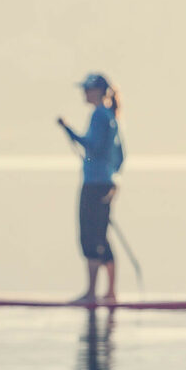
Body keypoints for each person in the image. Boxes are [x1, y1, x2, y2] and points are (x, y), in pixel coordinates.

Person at [58, 73, 124, 303]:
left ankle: (92, 293)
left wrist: (68, 130)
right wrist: (112, 179)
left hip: (94, 185)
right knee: (101, 236)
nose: (84, 93)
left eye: (87, 89)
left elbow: (93, 146)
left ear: (96, 91)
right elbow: (120, 156)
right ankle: (110, 293)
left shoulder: (99, 115)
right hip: (105, 183)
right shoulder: (110, 116)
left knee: (90, 236)